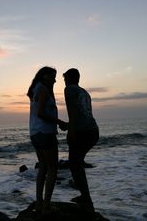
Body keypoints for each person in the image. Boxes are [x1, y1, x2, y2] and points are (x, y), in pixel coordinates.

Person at [27, 66, 67, 214]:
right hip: (45, 132)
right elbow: (41, 113)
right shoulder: (43, 90)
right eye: (52, 76)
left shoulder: (36, 89)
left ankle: (39, 203)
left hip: (35, 133)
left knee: (43, 167)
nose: (55, 80)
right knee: (52, 169)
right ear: (44, 76)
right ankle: (46, 206)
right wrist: (59, 122)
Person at [63, 68, 99, 212]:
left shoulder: (69, 90)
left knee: (74, 164)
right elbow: (83, 113)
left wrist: (71, 131)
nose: (64, 83)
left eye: (65, 79)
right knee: (77, 164)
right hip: (92, 130)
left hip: (81, 131)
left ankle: (86, 199)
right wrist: (69, 125)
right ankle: (85, 196)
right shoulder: (84, 92)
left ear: (70, 79)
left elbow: (72, 111)